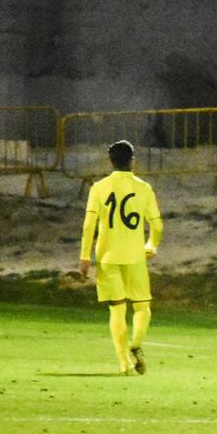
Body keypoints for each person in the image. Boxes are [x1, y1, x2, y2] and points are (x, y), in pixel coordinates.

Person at [79, 141, 162, 375]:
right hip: (135, 256)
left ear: (111, 161)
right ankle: (136, 345)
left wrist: (84, 256)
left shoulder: (99, 188)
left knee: (117, 310)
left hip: (107, 257)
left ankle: (124, 363)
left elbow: (89, 226)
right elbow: (157, 225)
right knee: (142, 307)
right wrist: (151, 245)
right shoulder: (144, 188)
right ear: (132, 160)